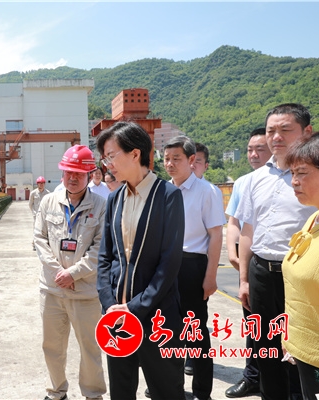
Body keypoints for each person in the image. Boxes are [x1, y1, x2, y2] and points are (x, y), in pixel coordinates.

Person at [96, 121, 186, 400]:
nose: (107, 165)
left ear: (135, 154)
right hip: (116, 319)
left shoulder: (168, 196)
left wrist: (135, 307)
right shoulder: (115, 199)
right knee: (121, 390)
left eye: (111, 156)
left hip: (157, 316)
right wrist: (110, 304)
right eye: (105, 158)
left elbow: (169, 263)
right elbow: (105, 256)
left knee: (166, 390)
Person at [235, 103, 315, 400]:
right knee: (266, 349)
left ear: (307, 132)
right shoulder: (255, 179)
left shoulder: (317, 175)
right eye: (271, 131)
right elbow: (248, 231)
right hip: (262, 273)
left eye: (285, 130)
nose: (276, 137)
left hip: (301, 277)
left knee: (301, 352)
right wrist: (244, 279)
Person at [34, 144, 107, 400]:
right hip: (52, 289)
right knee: (52, 346)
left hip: (85, 292)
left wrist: (73, 274)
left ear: (90, 174)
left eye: (79, 173)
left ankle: (93, 394)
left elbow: (100, 248)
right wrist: (59, 273)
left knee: (90, 348)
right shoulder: (48, 202)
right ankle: (56, 391)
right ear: (62, 173)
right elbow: (39, 239)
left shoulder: (101, 206)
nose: (73, 178)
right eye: (68, 172)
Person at [163, 136, 226, 400]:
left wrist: (210, 276)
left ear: (191, 160)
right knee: (167, 330)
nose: (170, 164)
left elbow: (216, 235)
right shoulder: (163, 190)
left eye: (176, 158)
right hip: (166, 266)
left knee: (196, 332)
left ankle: (202, 391)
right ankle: (170, 386)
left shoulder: (206, 191)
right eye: (166, 159)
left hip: (192, 266)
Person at [281, 131, 319, 400]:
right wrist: (292, 339)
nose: (294, 181)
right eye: (292, 173)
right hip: (308, 356)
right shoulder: (316, 218)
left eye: (302, 173)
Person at [224, 127, 271, 398]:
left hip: (279, 262)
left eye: (260, 149)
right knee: (253, 323)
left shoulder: (292, 178)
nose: (254, 154)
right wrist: (232, 252)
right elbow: (234, 222)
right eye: (250, 149)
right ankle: (252, 377)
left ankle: (286, 382)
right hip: (250, 260)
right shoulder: (243, 182)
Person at [29, 176, 50, 249]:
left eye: (42, 183)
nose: (41, 185)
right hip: (36, 215)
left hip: (45, 215)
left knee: (45, 230)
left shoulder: (48, 193)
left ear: (44, 184)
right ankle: (34, 244)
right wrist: (34, 212)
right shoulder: (33, 193)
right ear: (37, 184)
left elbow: (49, 204)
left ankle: (45, 244)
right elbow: (30, 204)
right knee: (36, 229)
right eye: (39, 183)